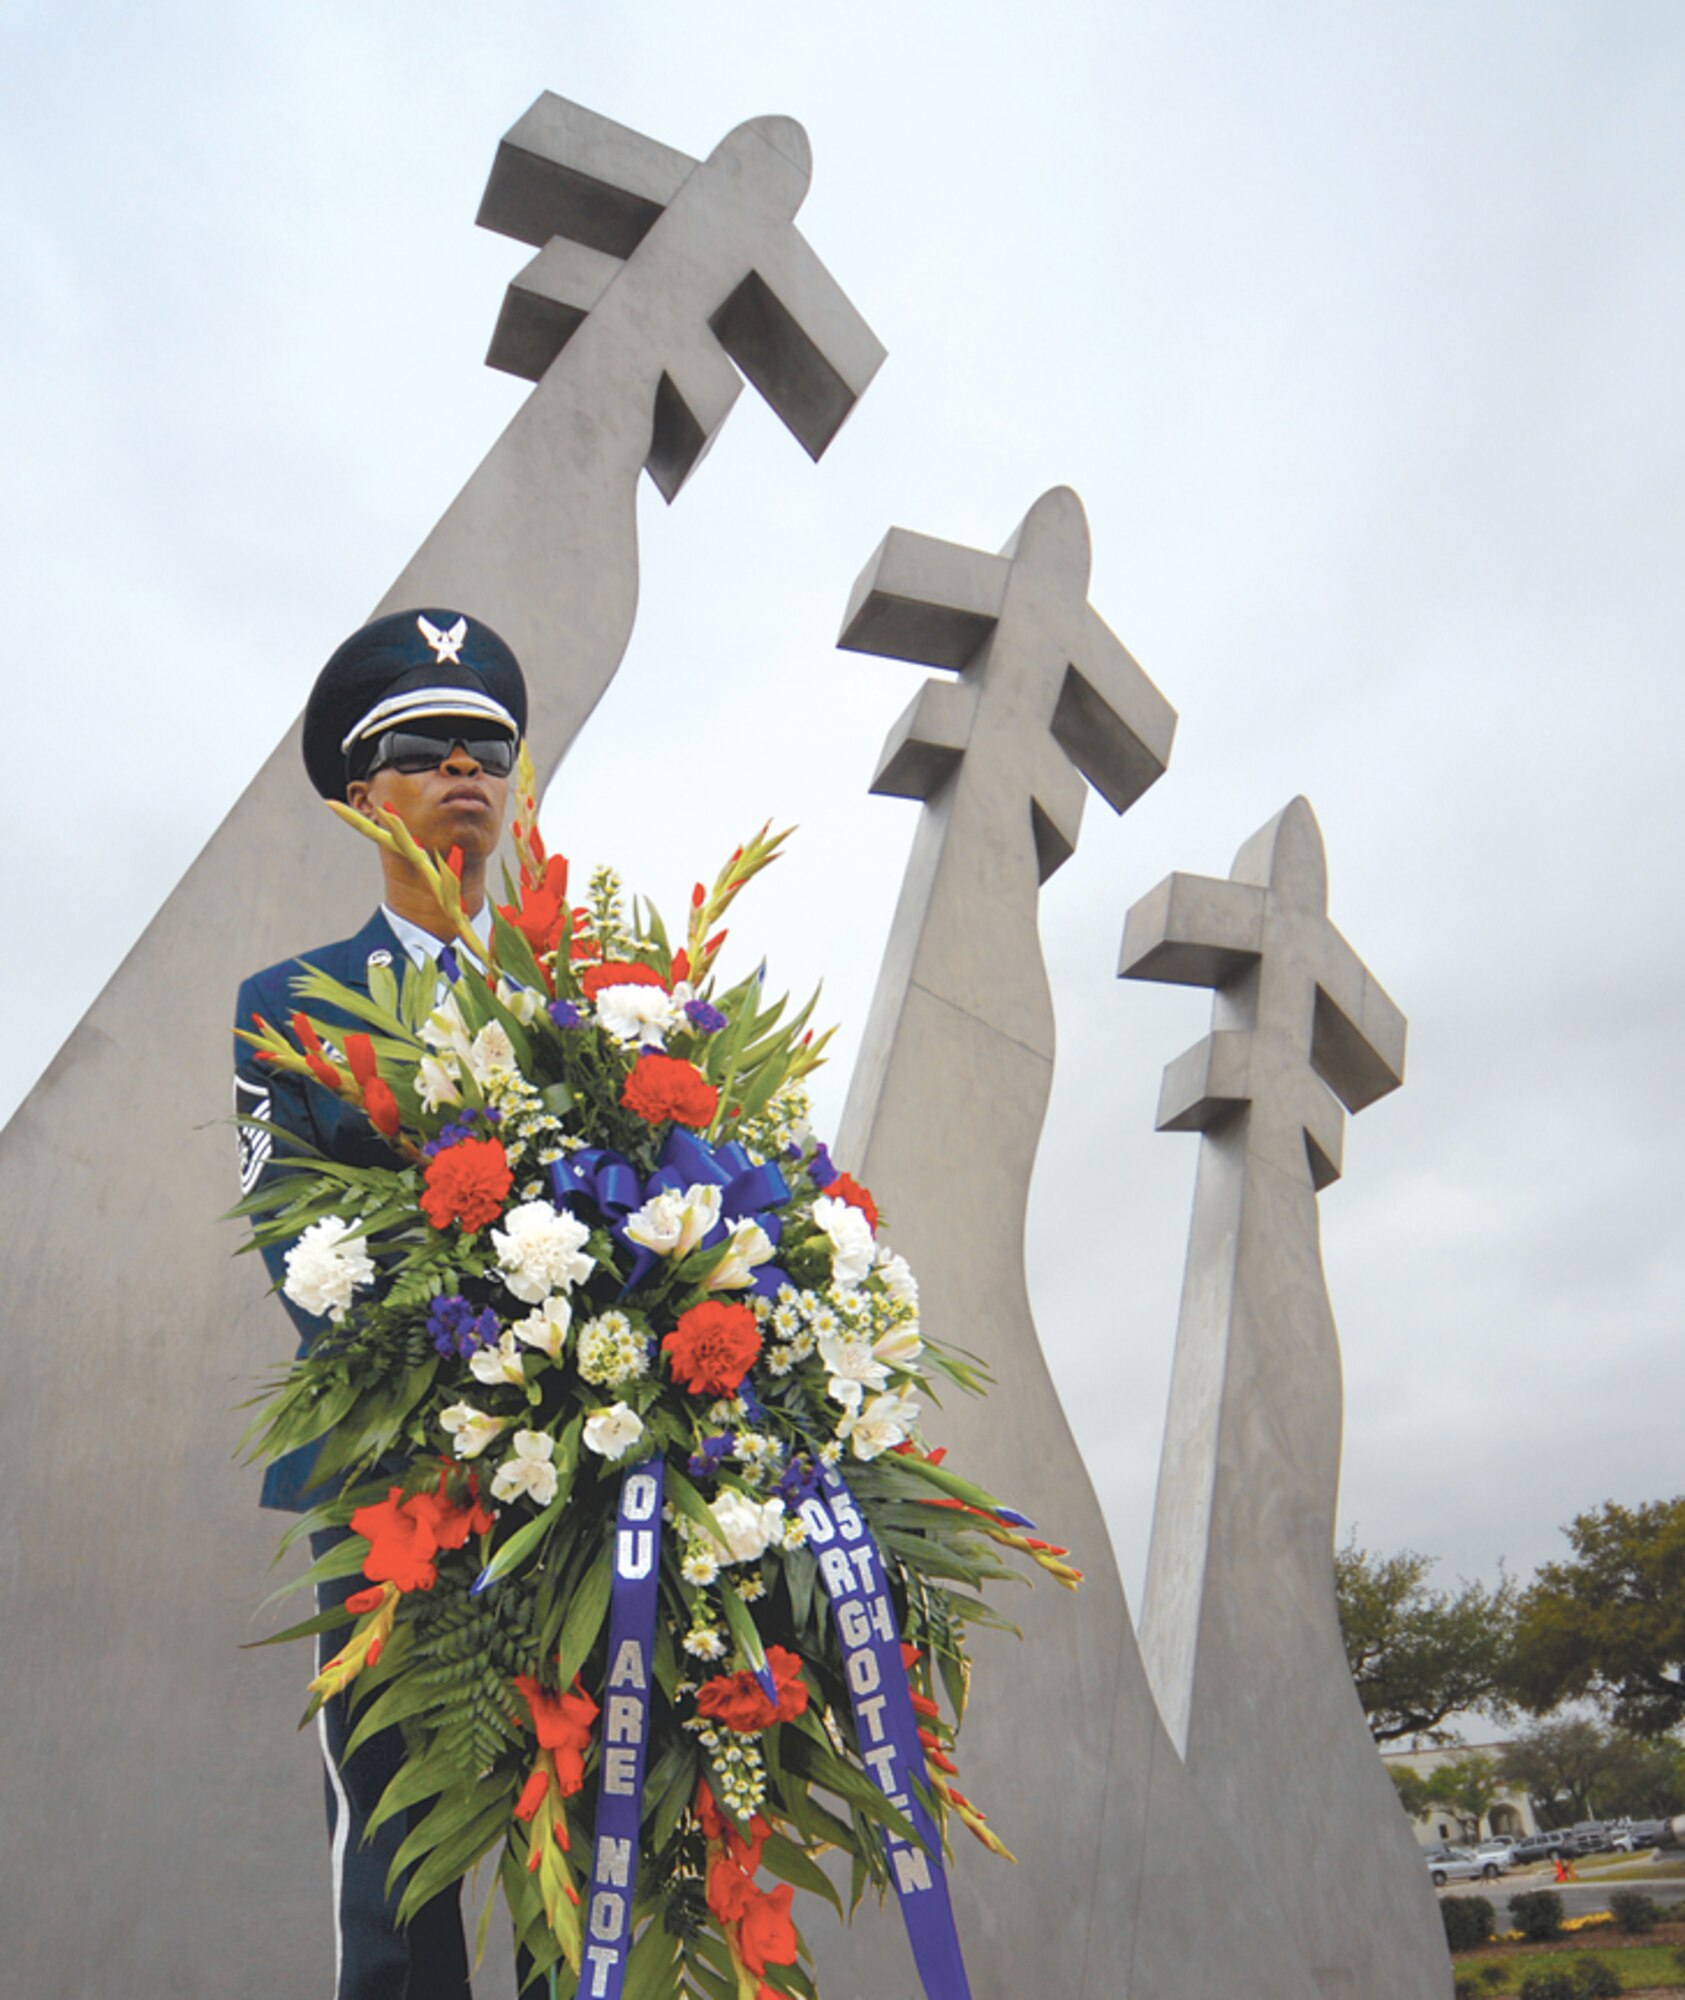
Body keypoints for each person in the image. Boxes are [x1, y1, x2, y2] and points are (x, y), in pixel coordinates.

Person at [234, 607, 527, 2000]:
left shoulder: (587, 1003)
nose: (466, 768)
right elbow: (301, 1247)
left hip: (588, 1487)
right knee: (400, 1850)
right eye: (426, 746)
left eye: (491, 748)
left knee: (587, 1833)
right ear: (366, 799)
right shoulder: (287, 1002)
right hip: (391, 1484)